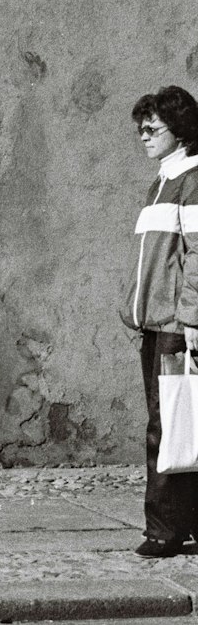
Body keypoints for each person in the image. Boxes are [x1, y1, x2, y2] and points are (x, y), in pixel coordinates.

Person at [124, 85, 198, 557]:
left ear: (180, 129)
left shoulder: (192, 178)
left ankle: (164, 530)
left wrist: (192, 318)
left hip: (176, 326)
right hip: (157, 325)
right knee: (176, 424)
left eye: (152, 127)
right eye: (140, 129)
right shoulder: (163, 180)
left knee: (169, 428)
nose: (144, 135)